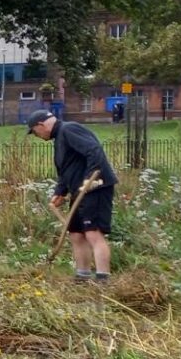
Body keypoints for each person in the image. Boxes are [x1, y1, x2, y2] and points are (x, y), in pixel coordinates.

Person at [28, 109, 117, 282]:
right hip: (79, 192)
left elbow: (94, 150)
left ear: (41, 125)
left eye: (34, 131)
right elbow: (67, 169)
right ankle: (82, 276)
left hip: (95, 188)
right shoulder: (60, 137)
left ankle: (103, 280)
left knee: (93, 233)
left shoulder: (69, 129)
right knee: (76, 233)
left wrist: (91, 178)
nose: (35, 135)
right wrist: (60, 192)